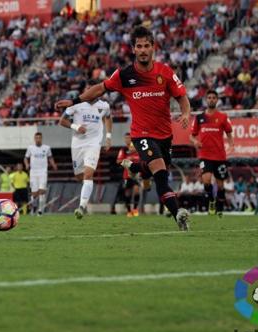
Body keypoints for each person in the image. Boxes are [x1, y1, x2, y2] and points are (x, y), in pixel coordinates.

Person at [55, 26, 191, 230]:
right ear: (133, 49)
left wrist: (186, 113)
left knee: (154, 171)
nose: (143, 49)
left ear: (153, 47)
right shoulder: (125, 75)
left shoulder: (165, 72)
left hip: (165, 135)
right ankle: (178, 213)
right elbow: (99, 89)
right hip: (141, 134)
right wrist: (74, 101)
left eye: (147, 45)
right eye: (139, 46)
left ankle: (136, 168)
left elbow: (182, 97)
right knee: (161, 175)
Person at [60, 81, 112, 219]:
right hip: (77, 144)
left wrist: (108, 137)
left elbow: (108, 118)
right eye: (87, 89)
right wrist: (76, 127)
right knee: (79, 177)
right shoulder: (76, 104)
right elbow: (62, 121)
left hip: (94, 144)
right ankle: (85, 195)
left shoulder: (104, 106)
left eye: (91, 89)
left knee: (88, 174)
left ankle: (82, 207)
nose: (88, 91)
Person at [189, 90, 234, 216]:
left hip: (220, 156)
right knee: (207, 181)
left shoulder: (223, 117)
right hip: (205, 155)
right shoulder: (199, 118)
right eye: (209, 97)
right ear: (205, 100)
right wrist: (195, 142)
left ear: (217, 100)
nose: (211, 99)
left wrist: (232, 145)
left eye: (214, 97)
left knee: (220, 185)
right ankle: (211, 201)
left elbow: (229, 133)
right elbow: (191, 136)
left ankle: (220, 209)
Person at [24, 132, 57, 216]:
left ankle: (40, 211)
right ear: (34, 139)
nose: (38, 139)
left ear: (42, 138)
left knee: (42, 191)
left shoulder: (47, 148)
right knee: (34, 194)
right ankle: (32, 210)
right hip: (33, 173)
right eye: (36, 138)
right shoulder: (30, 148)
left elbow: (50, 157)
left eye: (39, 138)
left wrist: (53, 165)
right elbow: (26, 158)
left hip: (43, 172)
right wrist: (27, 164)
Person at [116, 133, 146, 217]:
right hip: (127, 175)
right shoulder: (124, 150)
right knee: (127, 192)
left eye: (129, 138)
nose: (127, 140)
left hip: (137, 175)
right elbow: (118, 161)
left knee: (136, 190)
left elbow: (143, 160)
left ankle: (135, 209)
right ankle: (129, 211)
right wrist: (127, 162)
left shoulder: (138, 149)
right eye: (126, 138)